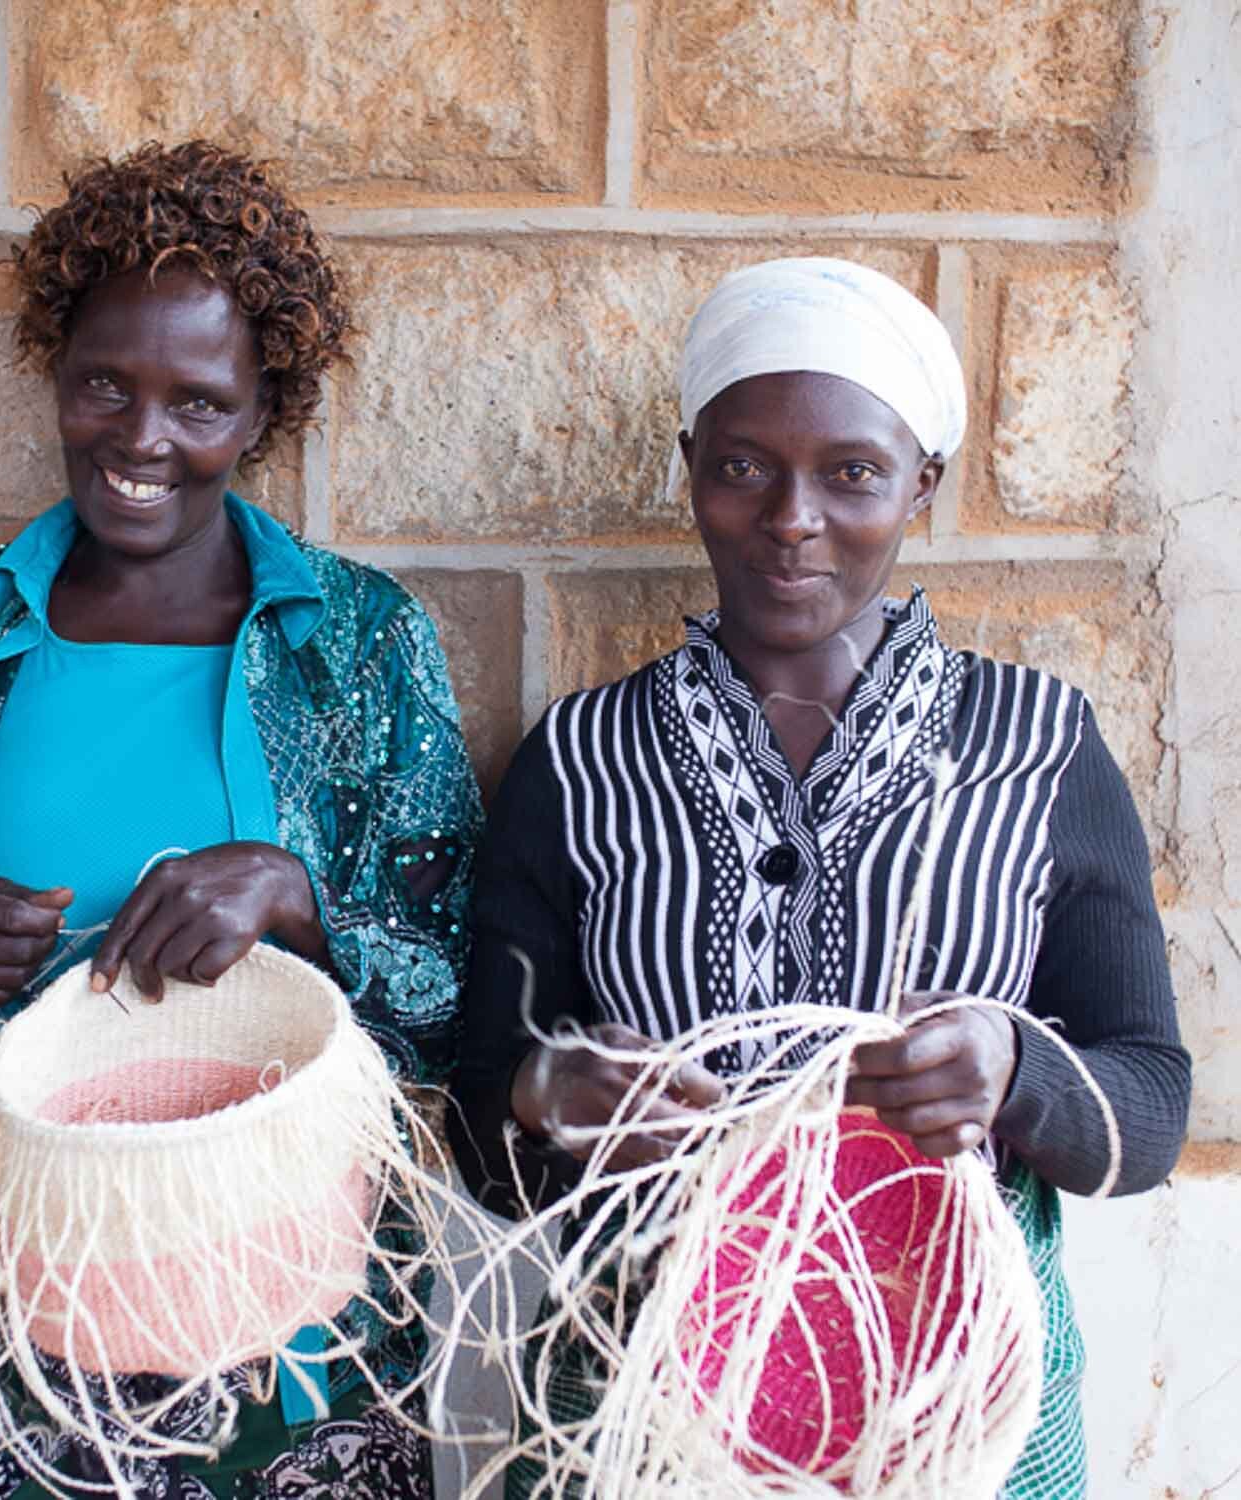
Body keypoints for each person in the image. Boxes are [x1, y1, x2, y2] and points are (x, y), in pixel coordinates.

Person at [0, 140, 481, 1499]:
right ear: (57, 367)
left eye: (200, 402)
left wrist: (295, 894)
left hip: (281, 1297)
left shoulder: (362, 643)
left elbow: (450, 988)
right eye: (107, 382)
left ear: (262, 408)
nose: (143, 438)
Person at [448, 257, 1190, 1498]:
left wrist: (1017, 1072)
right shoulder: (578, 760)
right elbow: (475, 1124)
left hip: (959, 1416)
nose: (793, 517)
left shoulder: (1039, 745)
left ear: (923, 487)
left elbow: (1150, 1112)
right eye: (744, 466)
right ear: (692, 468)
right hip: (637, 1411)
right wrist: (544, 1090)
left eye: (853, 472)